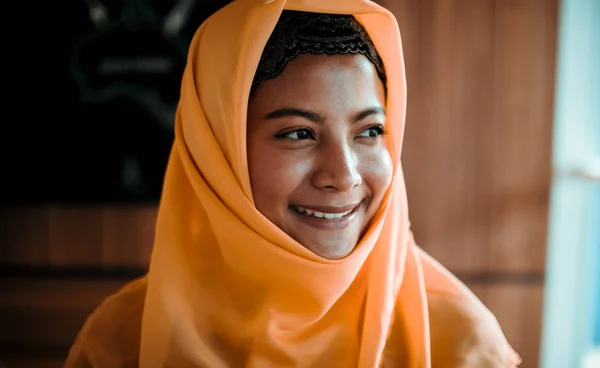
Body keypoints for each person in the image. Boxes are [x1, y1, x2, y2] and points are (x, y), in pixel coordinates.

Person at [65, 0, 522, 367]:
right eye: (298, 133)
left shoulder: (462, 344)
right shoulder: (120, 344)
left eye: (369, 131)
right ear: (217, 151)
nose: (343, 176)